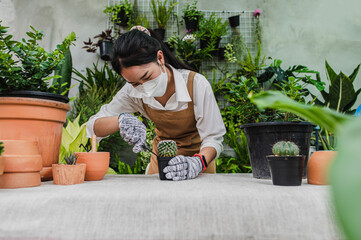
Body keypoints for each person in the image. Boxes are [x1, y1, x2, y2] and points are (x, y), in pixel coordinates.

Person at [86, 26, 226, 181]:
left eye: (147, 77)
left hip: (199, 165)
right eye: (134, 83)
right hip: (159, 166)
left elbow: (214, 138)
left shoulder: (196, 84)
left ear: (160, 58)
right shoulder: (131, 93)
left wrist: (197, 162)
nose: (144, 88)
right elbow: (94, 127)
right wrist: (120, 120)